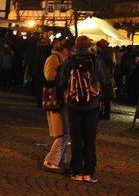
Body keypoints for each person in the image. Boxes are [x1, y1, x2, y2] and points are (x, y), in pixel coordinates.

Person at [59, 35, 109, 183]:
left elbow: (61, 82)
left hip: (74, 105)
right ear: (89, 47)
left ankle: (76, 171)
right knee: (89, 139)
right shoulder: (96, 61)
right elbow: (105, 80)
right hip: (92, 104)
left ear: (76, 47)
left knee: (76, 138)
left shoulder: (69, 61)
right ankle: (89, 172)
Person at [42, 38, 74, 173]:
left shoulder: (63, 59)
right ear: (65, 49)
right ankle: (51, 161)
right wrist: (63, 70)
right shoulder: (54, 58)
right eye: (72, 50)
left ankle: (60, 160)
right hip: (57, 98)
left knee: (64, 131)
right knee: (63, 132)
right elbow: (50, 76)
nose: (73, 53)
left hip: (63, 98)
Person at [96, 39, 116, 120]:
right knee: (106, 97)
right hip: (109, 76)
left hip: (105, 77)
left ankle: (104, 114)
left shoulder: (103, 55)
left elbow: (103, 68)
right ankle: (105, 113)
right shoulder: (110, 53)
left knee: (105, 96)